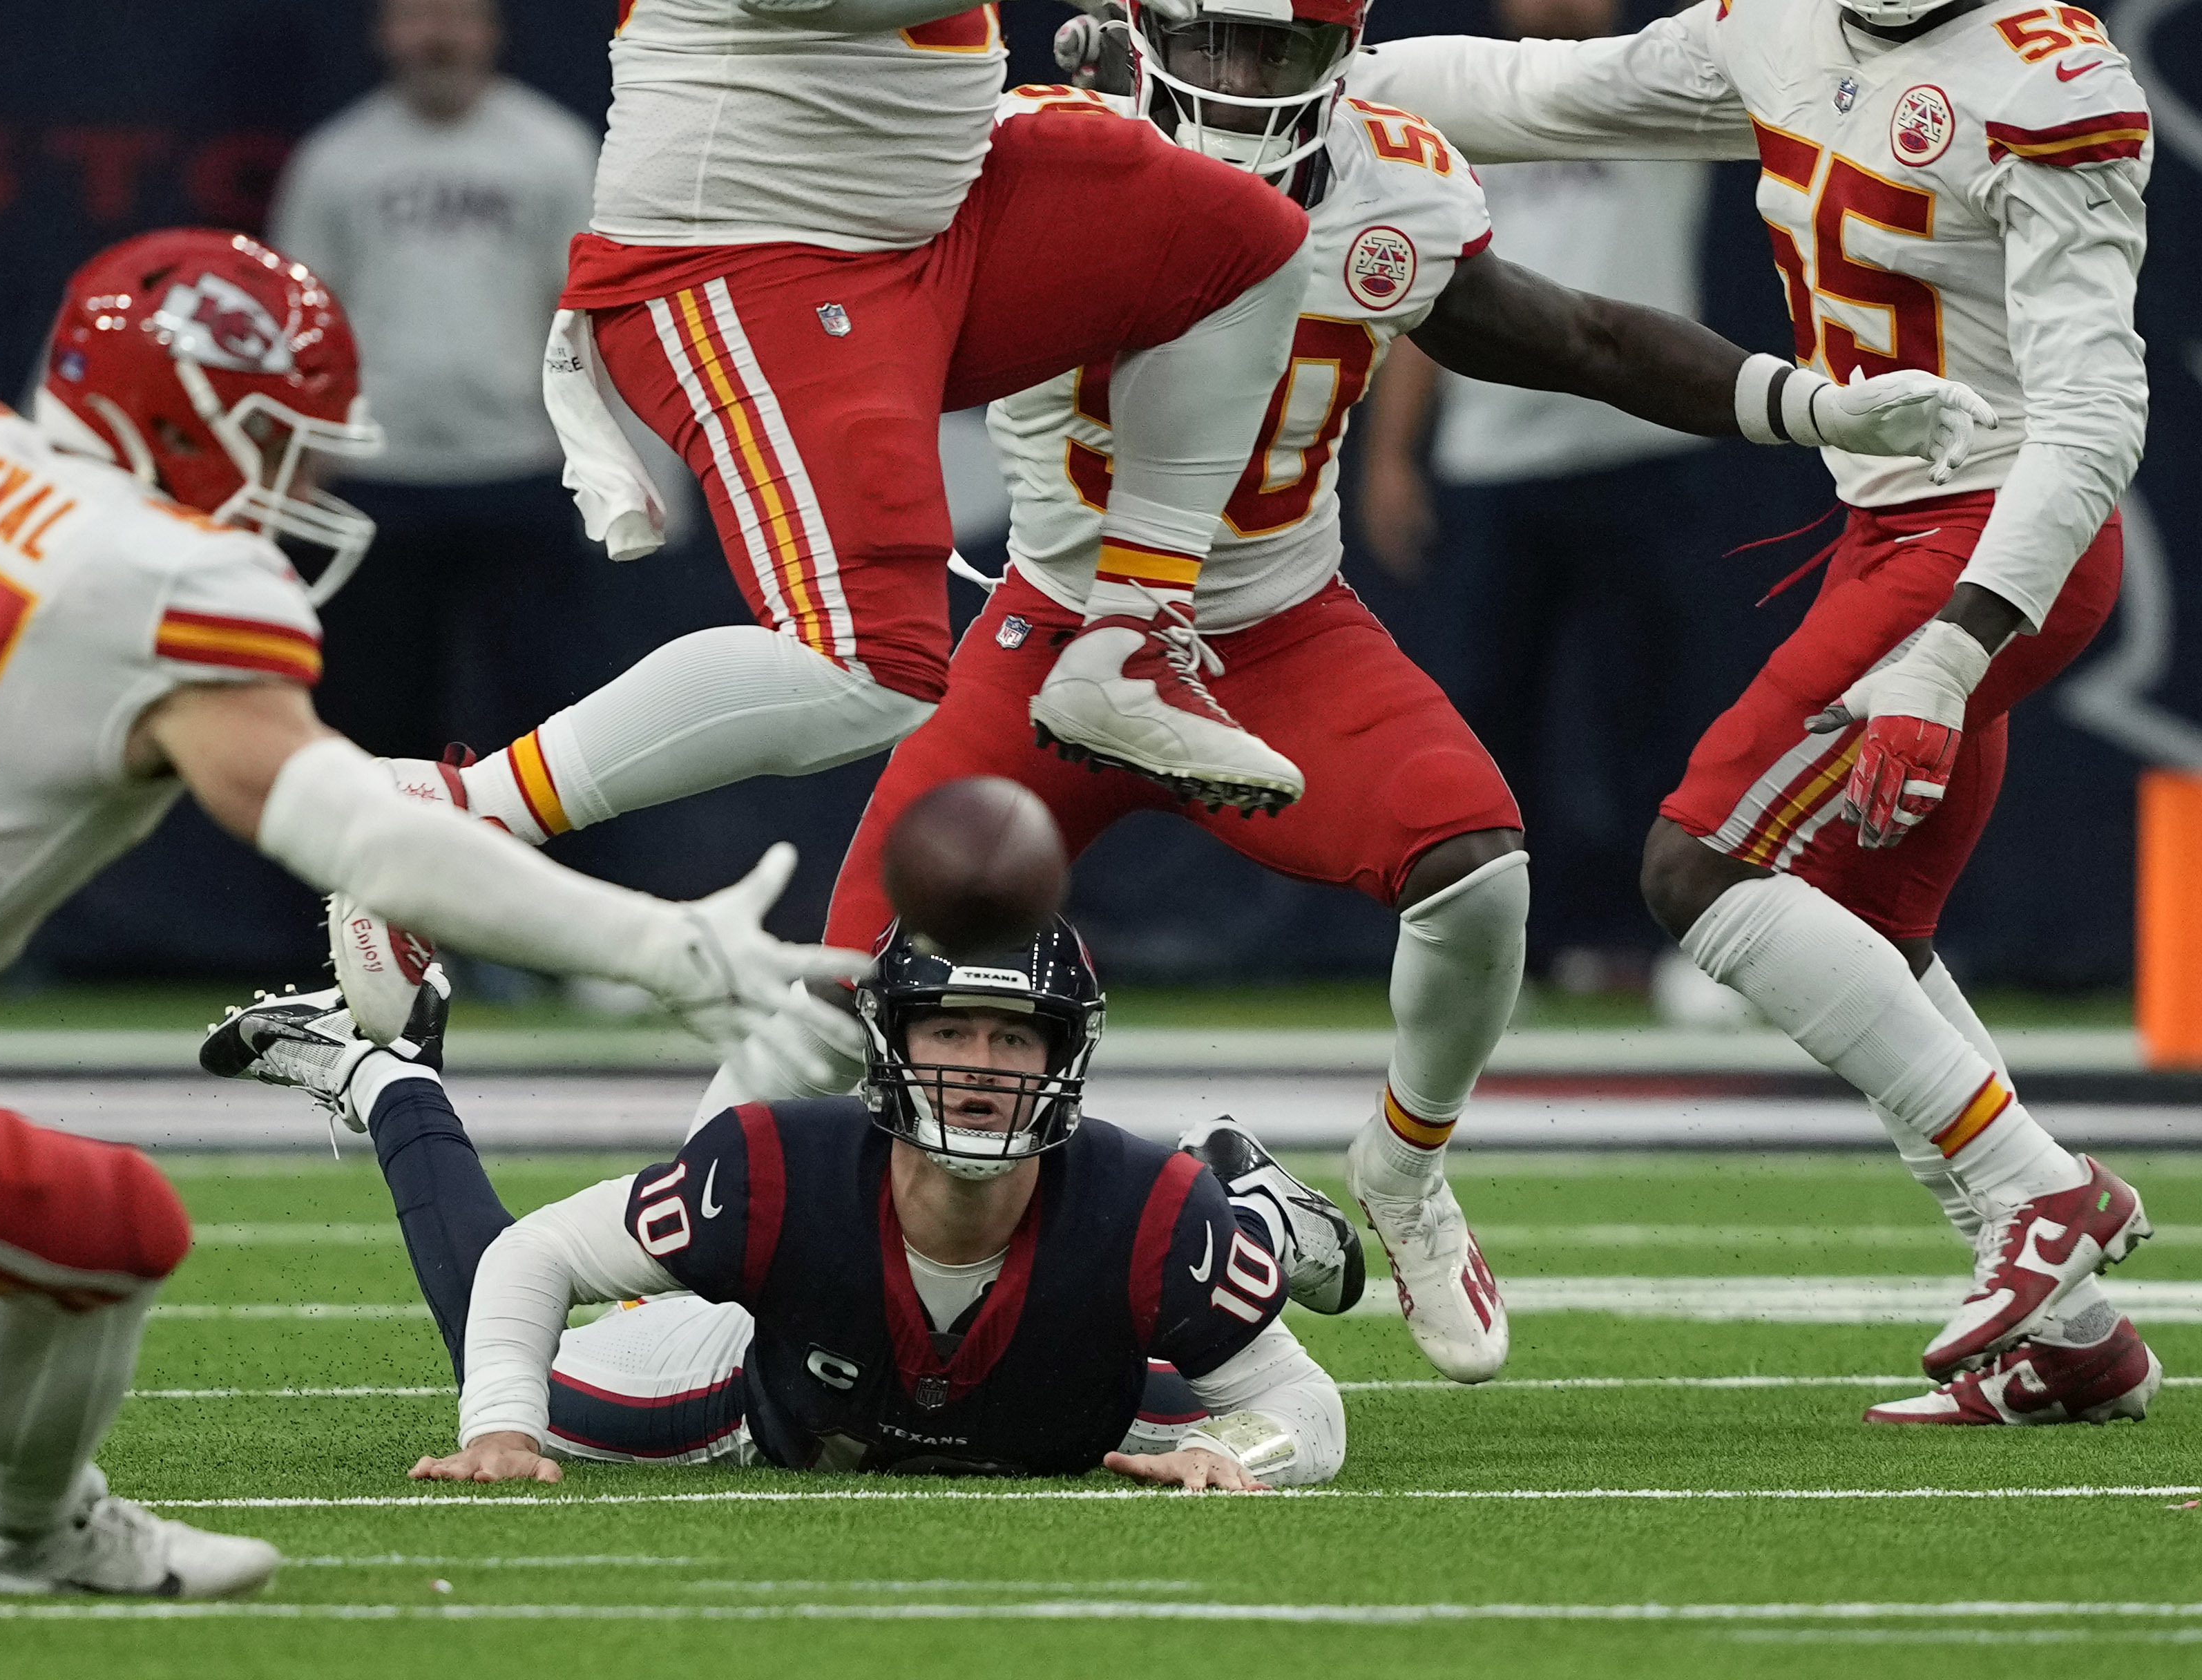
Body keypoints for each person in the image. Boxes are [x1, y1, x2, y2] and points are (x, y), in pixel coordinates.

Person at [814, 13, 1995, 1387]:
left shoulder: (1391, 181)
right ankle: (747, 1290)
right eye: (1222, 40)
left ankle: (1405, 1167)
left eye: (1280, 48)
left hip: (1269, 633)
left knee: (1477, 868)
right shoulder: (1037, 150)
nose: (1246, 79)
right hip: (1050, 635)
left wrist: (1802, 405)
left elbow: (1580, 339)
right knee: (840, 988)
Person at [0, 227, 865, 1598]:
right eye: (282, 438)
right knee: (112, 1238)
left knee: (107, 1216)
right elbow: (371, 844)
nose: (308, 476)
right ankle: (28, 1536)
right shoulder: (175, 589)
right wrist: (660, 945)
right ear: (181, 417)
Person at [1350, 0, 2160, 1422]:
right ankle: (2074, 1339)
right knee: (1864, 935)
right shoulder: (1776, 31)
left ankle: (2038, 1187)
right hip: (1886, 530)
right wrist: (1284, 76)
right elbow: (1541, 92)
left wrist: (1949, 648)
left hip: (1992, 541)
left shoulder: (2049, 80)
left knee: (1699, 862)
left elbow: (2092, 416)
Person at [405, 0, 1348, 861]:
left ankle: (1130, 639)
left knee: (1245, 241)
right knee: (866, 670)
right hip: (744, 253)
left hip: (928, 211)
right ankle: (443, 822)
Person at [204, 917, 1359, 1486]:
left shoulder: (1143, 1205)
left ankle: (1248, 1208)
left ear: (1062, 1057)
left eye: (1012, 1035)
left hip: (1053, 1387)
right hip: (771, 1402)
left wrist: (1239, 1454)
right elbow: (536, 1255)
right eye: (947, 1027)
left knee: (1169, 1333)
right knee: (494, 1348)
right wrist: (498, 1425)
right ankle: (383, 1069)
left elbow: (1305, 1407)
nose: (976, 1061)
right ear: (889, 1046)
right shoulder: (779, 1167)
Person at [1355, 0, 1718, 987]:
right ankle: (1499, 947)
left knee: (1655, 715)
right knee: (1482, 721)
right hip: (1492, 465)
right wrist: (1392, 456)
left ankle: (1674, 942)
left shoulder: (1662, 81)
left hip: (1640, 447)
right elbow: (1428, 294)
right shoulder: (1454, 106)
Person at [269, 0, 611, 764]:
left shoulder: (553, 150)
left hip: (522, 470)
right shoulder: (335, 160)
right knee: (370, 726)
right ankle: (370, 886)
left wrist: (611, 461)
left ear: (493, 31)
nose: (439, 38)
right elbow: (300, 323)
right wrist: (298, 465)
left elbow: (592, 316)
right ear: (382, 33)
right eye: (418, 18)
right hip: (372, 479)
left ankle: (542, 885)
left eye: (458, 18)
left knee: (550, 728)